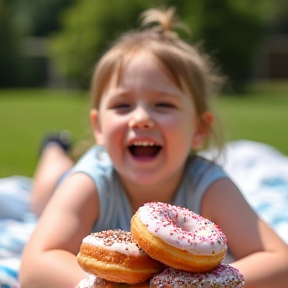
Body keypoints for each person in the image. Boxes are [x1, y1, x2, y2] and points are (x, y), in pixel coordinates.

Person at [19, 7, 288, 288]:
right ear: (99, 128)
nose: (141, 119)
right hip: (62, 182)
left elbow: (279, 261)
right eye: (123, 105)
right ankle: (54, 148)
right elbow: (35, 265)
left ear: (198, 129)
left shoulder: (206, 185)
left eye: (163, 105)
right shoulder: (93, 180)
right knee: (45, 190)